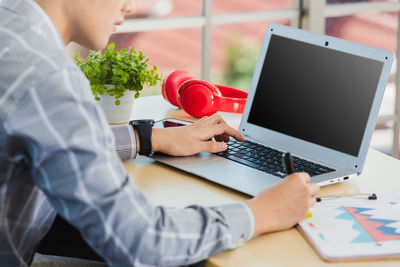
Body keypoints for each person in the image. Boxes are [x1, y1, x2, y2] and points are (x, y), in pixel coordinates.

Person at [0, 0, 320, 266]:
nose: (131, 6)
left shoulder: (11, 28)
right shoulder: (48, 80)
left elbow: (43, 131)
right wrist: (261, 212)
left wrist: (146, 138)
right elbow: (141, 241)